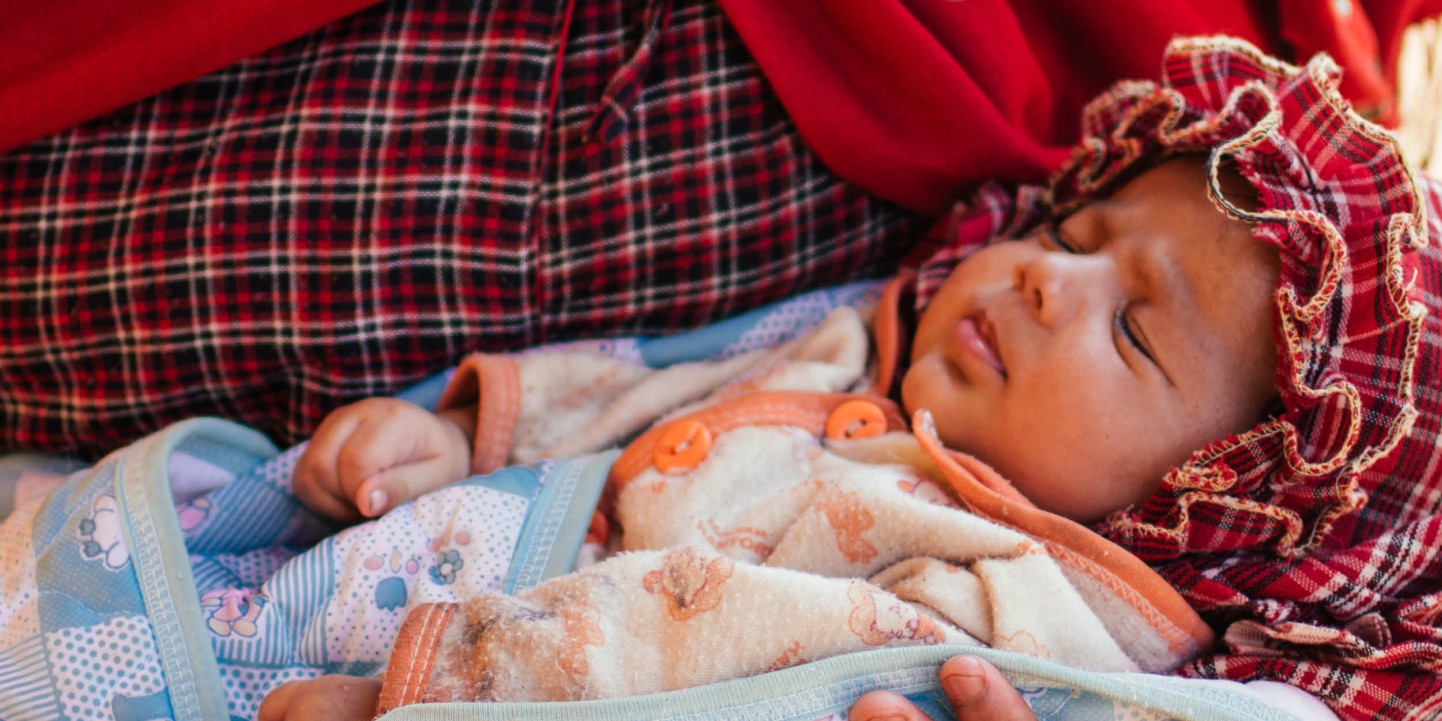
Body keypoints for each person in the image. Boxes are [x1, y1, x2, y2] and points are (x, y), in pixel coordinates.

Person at [252, 37, 1438, 721]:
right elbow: (658, 384)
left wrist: (429, 698)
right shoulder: (863, 345)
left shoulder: (1006, 601)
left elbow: (698, 655)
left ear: (1210, 501)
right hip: (377, 565)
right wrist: (473, 432)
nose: (1040, 281)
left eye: (1130, 332)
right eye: (1073, 238)